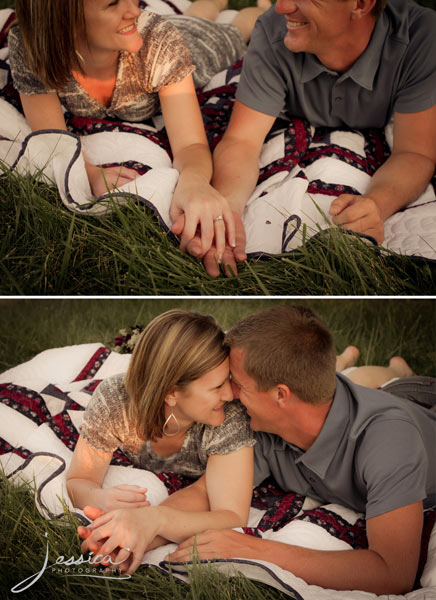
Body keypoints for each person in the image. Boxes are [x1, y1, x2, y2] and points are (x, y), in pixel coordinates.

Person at [168, 306, 436, 595]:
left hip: (417, 399)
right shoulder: (260, 421)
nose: (229, 394)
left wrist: (251, 548)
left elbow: (394, 575)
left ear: (280, 395)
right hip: (346, 396)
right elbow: (204, 492)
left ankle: (397, 369)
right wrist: (145, 523)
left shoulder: (390, 442)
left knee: (387, 383)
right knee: (349, 383)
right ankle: (348, 362)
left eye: (238, 384)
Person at [186, 0, 436, 277]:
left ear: (361, 4)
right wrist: (228, 211)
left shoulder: (421, 36)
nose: (281, 7)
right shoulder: (273, 29)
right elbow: (242, 142)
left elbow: (415, 153)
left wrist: (377, 203)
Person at [8, 0, 267, 261]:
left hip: (193, 45)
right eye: (112, 4)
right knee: (192, 16)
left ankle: (251, 6)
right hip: (151, 34)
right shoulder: (30, 45)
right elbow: (54, 139)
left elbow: (190, 146)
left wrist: (195, 180)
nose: (135, 9)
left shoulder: (160, 42)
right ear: (61, 17)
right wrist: (89, 173)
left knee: (235, 30)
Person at [66, 308, 255, 574]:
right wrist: (101, 498)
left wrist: (144, 530)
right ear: (171, 393)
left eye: (229, 381)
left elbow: (232, 515)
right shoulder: (115, 402)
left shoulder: (228, 417)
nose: (230, 394)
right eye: (217, 387)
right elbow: (79, 480)